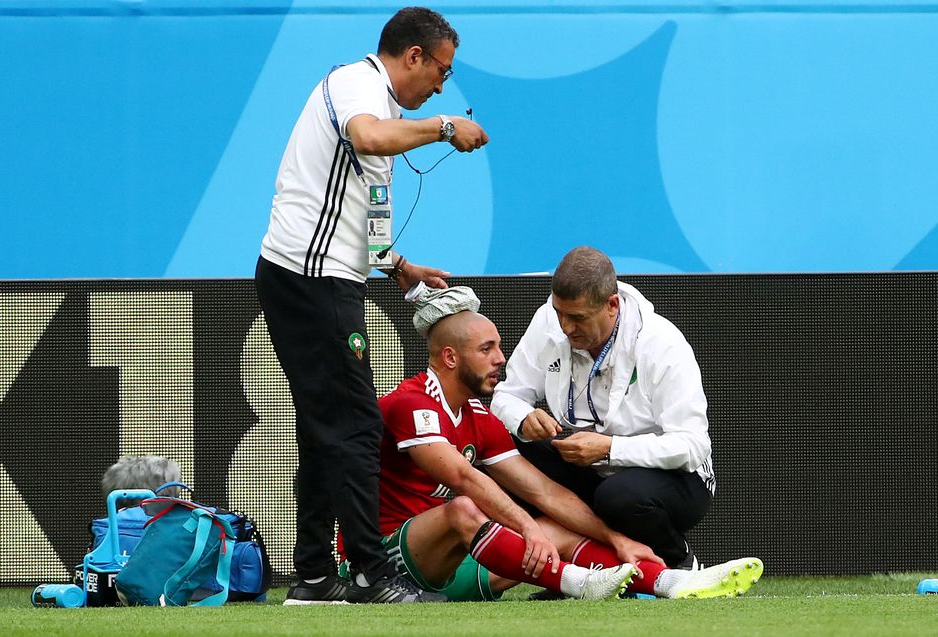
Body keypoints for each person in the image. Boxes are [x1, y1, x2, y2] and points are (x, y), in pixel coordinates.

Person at [254, 7, 488, 605]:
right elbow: (366, 137)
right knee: (359, 426)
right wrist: (442, 127)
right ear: (413, 56)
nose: (442, 85)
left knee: (324, 429)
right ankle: (371, 575)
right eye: (442, 70)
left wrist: (403, 269)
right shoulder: (358, 85)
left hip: (319, 279)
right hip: (311, 281)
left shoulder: (382, 107)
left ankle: (311, 575)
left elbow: (368, 214)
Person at [364, 284, 762, 602]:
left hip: (457, 567)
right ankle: (579, 582)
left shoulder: (476, 416)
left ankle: (670, 582)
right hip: (392, 568)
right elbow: (464, 480)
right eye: (487, 350)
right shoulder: (411, 403)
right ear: (450, 358)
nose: (501, 359)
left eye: (500, 347)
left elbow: (544, 491)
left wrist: (617, 540)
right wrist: (525, 527)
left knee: (557, 525)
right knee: (464, 508)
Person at [491, 246, 716, 570]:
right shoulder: (548, 323)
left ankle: (680, 563)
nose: (566, 327)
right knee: (499, 451)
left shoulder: (661, 344)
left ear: (612, 305)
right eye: (560, 313)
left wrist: (610, 449)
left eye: (578, 318)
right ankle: (586, 571)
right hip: (589, 466)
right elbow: (506, 396)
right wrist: (523, 418)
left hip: (677, 479)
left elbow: (692, 446)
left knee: (618, 496)